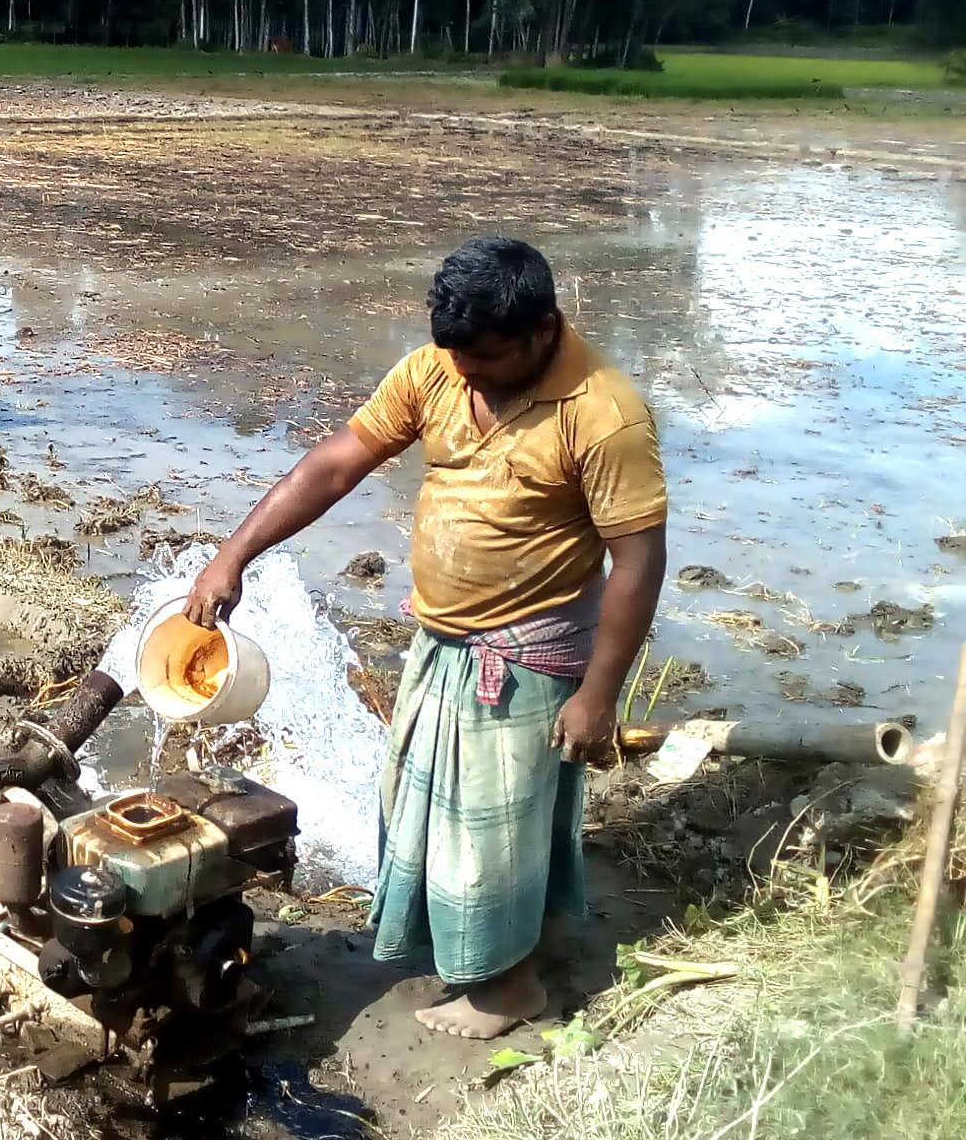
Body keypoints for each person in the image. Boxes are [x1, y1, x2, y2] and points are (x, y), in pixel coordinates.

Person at [183, 237, 668, 1041]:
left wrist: (599, 695)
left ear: (544, 329)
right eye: (459, 357)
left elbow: (638, 561)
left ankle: (509, 988)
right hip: (445, 641)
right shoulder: (437, 370)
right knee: (446, 814)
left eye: (486, 358)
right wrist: (233, 555)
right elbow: (338, 463)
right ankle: (483, 954)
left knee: (493, 834)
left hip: (526, 655)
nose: (468, 375)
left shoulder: (604, 415)